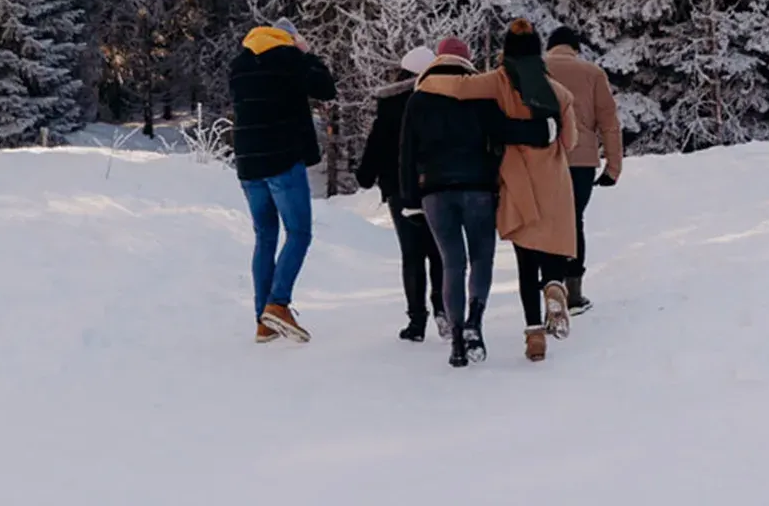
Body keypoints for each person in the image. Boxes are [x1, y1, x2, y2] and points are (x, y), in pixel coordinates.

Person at [414, 20, 578, 364]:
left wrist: (427, 80)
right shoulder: (559, 92)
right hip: (553, 180)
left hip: (518, 182)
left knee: (525, 260)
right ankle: (554, 285)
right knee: (551, 251)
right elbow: (571, 141)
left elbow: (460, 88)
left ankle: (534, 335)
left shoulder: (499, 80)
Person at [228, 19, 336, 343]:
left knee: (265, 236)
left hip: (248, 162)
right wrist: (307, 54)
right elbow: (325, 88)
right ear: (289, 38)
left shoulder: (239, 65)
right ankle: (278, 304)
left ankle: (264, 321)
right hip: (283, 158)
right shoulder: (289, 58)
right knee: (299, 232)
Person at [355, 44, 446, 341]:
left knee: (412, 254)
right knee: (439, 251)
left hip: (397, 189)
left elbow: (375, 147)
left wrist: (366, 176)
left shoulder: (390, 105)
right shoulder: (439, 100)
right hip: (434, 185)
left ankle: (416, 321)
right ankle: (443, 309)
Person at [544, 26, 622, 313]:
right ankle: (574, 292)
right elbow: (609, 123)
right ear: (575, 48)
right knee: (574, 220)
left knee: (547, 222)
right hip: (582, 161)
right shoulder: (592, 73)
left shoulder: (536, 70)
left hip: (544, 158)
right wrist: (613, 167)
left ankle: (550, 284)